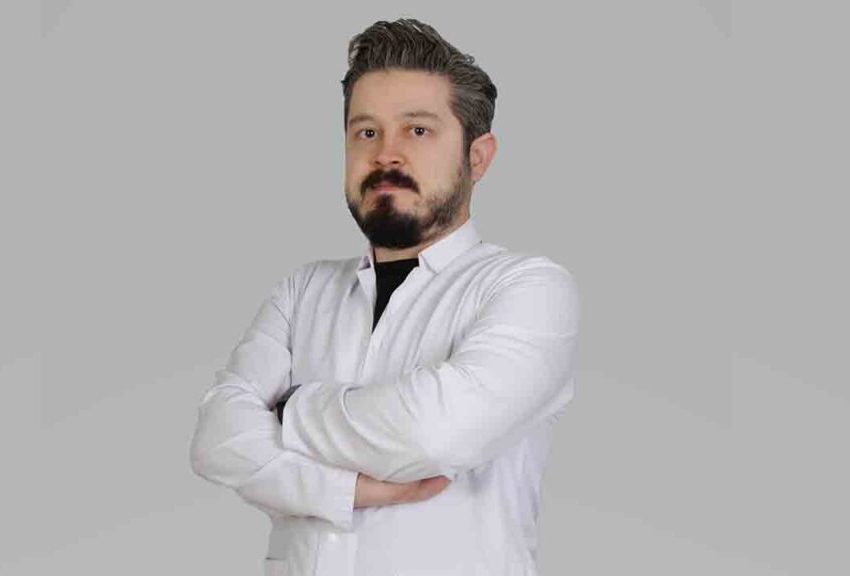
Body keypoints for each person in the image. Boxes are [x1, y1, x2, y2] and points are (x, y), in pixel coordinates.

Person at [190, 18, 580, 576]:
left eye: (417, 130)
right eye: (366, 132)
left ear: (478, 156)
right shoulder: (302, 292)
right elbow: (216, 440)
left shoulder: (528, 289)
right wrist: (344, 491)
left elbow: (436, 433)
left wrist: (291, 409)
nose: (386, 155)